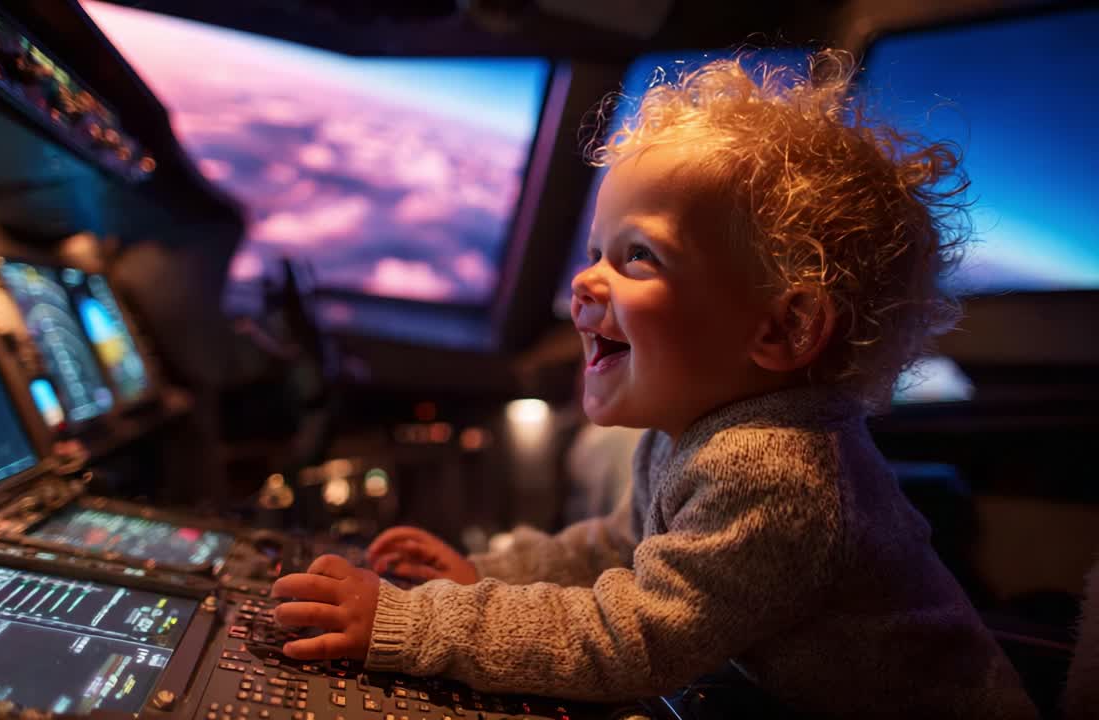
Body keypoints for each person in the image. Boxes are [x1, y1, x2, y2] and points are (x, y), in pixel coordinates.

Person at [268, 50, 1037, 717]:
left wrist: (415, 622)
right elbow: (621, 546)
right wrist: (488, 576)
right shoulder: (703, 431)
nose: (584, 279)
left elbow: (628, 638)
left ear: (781, 331)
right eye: (596, 248)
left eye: (637, 257)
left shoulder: (779, 472)